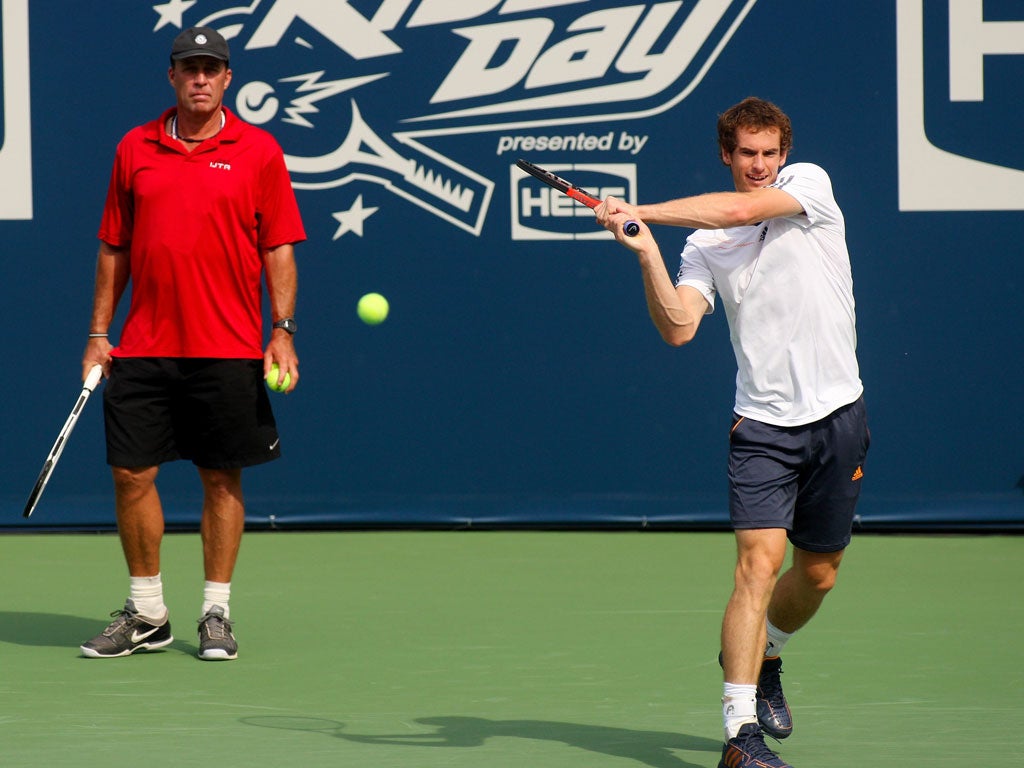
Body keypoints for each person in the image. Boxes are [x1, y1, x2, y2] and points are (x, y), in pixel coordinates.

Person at [596, 97, 869, 768]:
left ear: (784, 154)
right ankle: (740, 735)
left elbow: (741, 212)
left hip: (838, 416)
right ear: (727, 154)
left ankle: (765, 649)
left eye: (769, 152)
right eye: (747, 153)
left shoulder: (809, 186)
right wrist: (646, 251)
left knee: (819, 575)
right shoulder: (703, 246)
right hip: (763, 427)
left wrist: (642, 208)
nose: (760, 164)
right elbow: (678, 327)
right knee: (756, 567)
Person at [79, 26, 305, 661]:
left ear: (228, 78)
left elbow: (278, 246)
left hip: (227, 347)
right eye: (189, 68)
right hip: (144, 345)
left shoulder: (259, 151)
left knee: (221, 479)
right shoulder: (135, 147)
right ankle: (147, 612)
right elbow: (114, 246)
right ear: (172, 77)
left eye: (211, 68)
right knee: (130, 474)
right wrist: (98, 334)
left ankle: (216, 612)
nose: (200, 78)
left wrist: (281, 330)